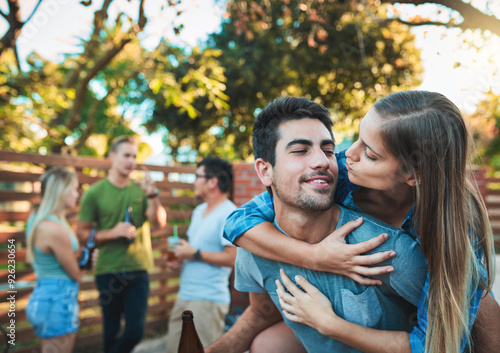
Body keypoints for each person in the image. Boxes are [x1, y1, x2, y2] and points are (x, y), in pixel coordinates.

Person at [223, 91, 498, 352]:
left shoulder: (456, 228)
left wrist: (331, 325)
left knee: (486, 324)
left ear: (413, 175)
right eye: (357, 138)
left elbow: (433, 344)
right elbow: (239, 220)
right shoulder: (343, 171)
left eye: (370, 153)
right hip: (375, 299)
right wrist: (315, 257)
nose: (348, 153)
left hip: (437, 288)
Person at [206, 96, 429, 353]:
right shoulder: (256, 244)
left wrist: (330, 324)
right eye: (300, 150)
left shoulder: (386, 250)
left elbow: (448, 339)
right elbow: (261, 312)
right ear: (265, 171)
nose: (322, 161)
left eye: (329, 150)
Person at [77, 136, 167, 353]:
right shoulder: (94, 193)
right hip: (108, 270)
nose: (131, 161)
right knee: (111, 331)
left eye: (134, 156)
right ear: (112, 156)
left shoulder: (141, 191)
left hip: (138, 270)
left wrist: (152, 193)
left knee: (135, 332)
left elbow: (159, 224)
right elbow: (81, 233)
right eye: (126, 155)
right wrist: (111, 233)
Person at [165, 157, 237, 352]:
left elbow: (233, 258)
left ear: (212, 182)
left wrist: (194, 253)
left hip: (208, 301)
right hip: (184, 295)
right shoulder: (198, 211)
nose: (194, 181)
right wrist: (181, 256)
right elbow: (195, 249)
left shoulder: (229, 213)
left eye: (197, 176)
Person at [25, 167, 82, 353]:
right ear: (61, 191)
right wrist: (85, 262)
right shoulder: (53, 228)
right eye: (74, 188)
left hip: (47, 297)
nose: (77, 193)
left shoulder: (37, 218)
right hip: (58, 301)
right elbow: (76, 274)